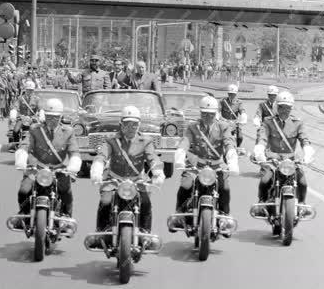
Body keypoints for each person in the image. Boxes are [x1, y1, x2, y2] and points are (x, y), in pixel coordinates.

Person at [90, 105, 165, 233]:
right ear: (121, 124)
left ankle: (146, 233)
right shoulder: (111, 141)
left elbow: (153, 158)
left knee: (146, 202)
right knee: (106, 201)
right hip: (114, 179)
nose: (131, 128)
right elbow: (102, 156)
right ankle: (101, 231)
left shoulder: (145, 141)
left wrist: (157, 173)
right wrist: (97, 169)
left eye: (134, 124)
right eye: (127, 124)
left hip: (137, 180)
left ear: (139, 125)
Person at [171, 96, 238, 229]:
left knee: (224, 188)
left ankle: (225, 216)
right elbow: (185, 141)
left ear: (216, 113)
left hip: (217, 166)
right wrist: (180, 153)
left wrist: (231, 157)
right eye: (205, 113)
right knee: (186, 185)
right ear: (201, 113)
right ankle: (179, 214)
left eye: (211, 114)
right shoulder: (193, 127)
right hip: (196, 166)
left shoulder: (223, 126)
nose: (208, 116)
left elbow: (229, 142)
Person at [13, 98, 81, 221]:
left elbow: (74, 151)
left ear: (60, 117)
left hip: (58, 169)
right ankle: (23, 215)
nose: (52, 120)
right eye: (49, 117)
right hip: (37, 168)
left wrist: (74, 163)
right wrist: (22, 156)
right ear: (45, 116)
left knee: (65, 191)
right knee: (24, 190)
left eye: (55, 117)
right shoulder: (35, 129)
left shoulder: (68, 131)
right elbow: (26, 144)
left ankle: (67, 218)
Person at [253, 91, 315, 208]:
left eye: (288, 108)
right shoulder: (268, 122)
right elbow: (262, 137)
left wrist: (307, 151)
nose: (284, 110)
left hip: (291, 161)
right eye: (281, 107)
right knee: (265, 181)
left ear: (291, 108)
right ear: (277, 107)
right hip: (273, 160)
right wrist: (259, 149)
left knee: (302, 182)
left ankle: (301, 205)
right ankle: (262, 203)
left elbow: (304, 139)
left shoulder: (297, 123)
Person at [220, 84, 247, 155]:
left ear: (236, 93)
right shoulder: (223, 101)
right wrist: (219, 117)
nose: (231, 95)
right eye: (230, 94)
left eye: (233, 94)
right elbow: (218, 110)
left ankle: (238, 147)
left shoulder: (239, 102)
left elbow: (242, 110)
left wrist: (243, 115)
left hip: (234, 122)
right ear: (228, 93)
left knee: (240, 136)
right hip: (224, 121)